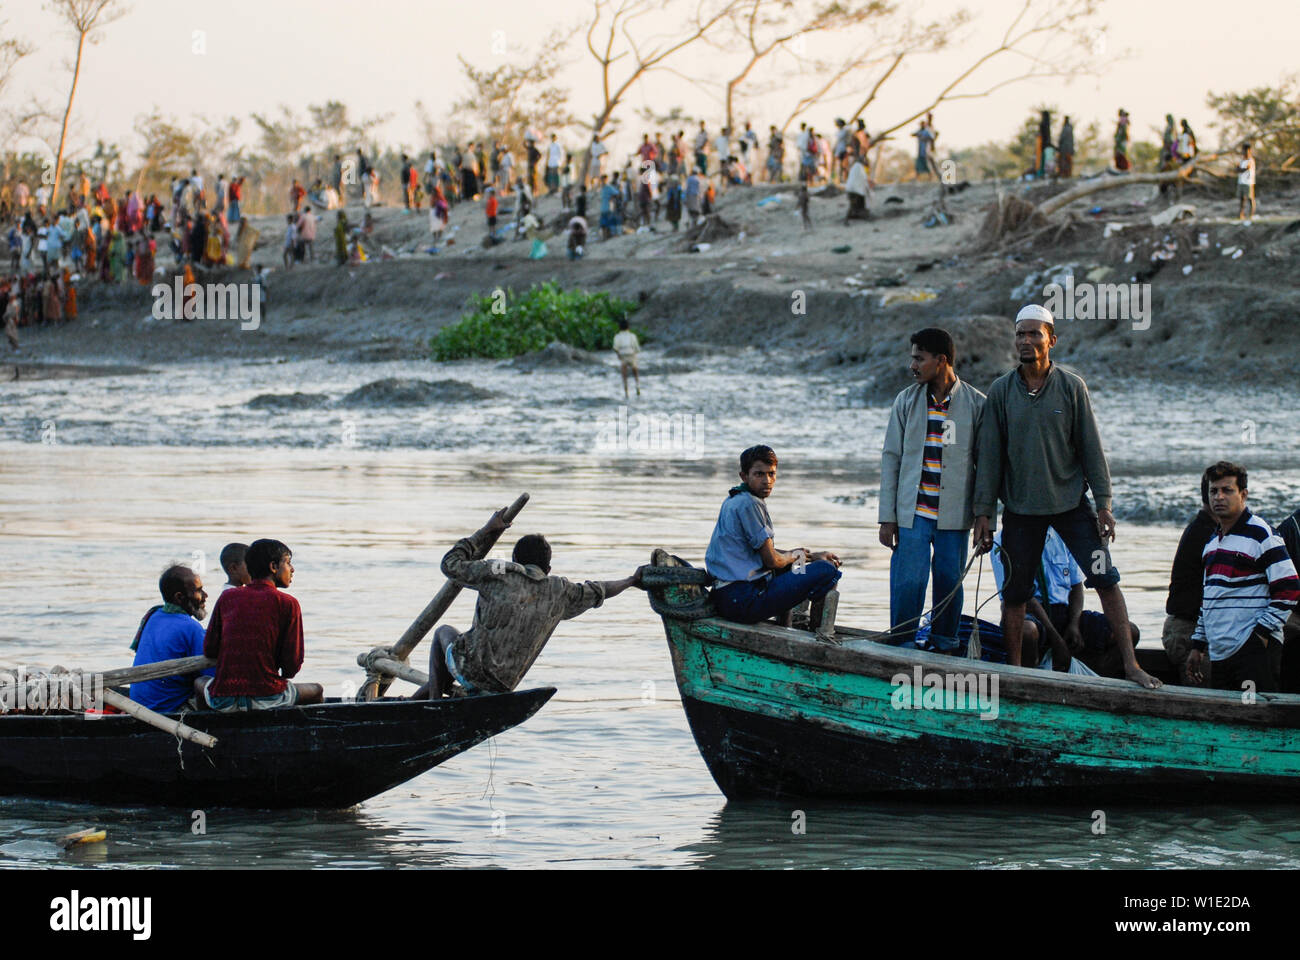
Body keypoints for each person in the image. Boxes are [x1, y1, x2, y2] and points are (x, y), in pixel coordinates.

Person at [972, 304, 1159, 688]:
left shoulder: (1072, 387)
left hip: (1073, 507)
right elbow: (989, 459)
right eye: (1020, 334)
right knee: (1015, 594)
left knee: (1105, 578)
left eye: (1034, 334)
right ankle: (1015, 676)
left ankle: (1131, 666)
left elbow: (1092, 449)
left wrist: (1104, 504)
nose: (1025, 341)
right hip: (1021, 511)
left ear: (1051, 340)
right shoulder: (1001, 391)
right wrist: (983, 515)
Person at [411, 510, 645, 698]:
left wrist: (487, 530)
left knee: (444, 632)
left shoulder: (498, 572)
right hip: (502, 685)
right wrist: (631, 580)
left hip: (469, 669)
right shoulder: (560, 592)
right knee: (462, 652)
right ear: (548, 569)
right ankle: (414, 702)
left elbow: (449, 564)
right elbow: (601, 590)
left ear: (516, 561)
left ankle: (433, 703)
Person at [879, 328, 985, 653]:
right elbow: (891, 458)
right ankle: (902, 644)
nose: (912, 365)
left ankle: (945, 645)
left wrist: (985, 516)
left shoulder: (977, 404)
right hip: (913, 512)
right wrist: (887, 517)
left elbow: (987, 467)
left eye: (918, 358)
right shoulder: (906, 401)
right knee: (908, 582)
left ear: (941, 361)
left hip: (955, 515)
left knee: (949, 582)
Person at [1185, 462, 1299, 693]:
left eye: (1227, 490)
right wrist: (1198, 645)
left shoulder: (1260, 533)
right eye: (1213, 491)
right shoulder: (1211, 543)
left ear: (1243, 494)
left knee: (1258, 717)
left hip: (1254, 650)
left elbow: (1290, 587)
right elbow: (1210, 598)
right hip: (1220, 652)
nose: (1219, 497)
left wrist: (1260, 634)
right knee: (1227, 718)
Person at [706, 445, 843, 630]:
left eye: (771, 474)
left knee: (795, 565)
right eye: (759, 474)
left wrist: (808, 556)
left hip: (727, 597)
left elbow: (762, 553)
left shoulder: (735, 498)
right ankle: (818, 632)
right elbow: (771, 561)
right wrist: (797, 556)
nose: (767, 481)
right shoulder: (749, 504)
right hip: (743, 600)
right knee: (827, 570)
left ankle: (787, 625)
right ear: (744, 476)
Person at [198, 538, 323, 710]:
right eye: (288, 563)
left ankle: (207, 727)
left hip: (223, 698)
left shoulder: (227, 597)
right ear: (273, 567)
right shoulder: (287, 603)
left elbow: (210, 649)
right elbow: (291, 668)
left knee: (200, 682)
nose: (292, 570)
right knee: (316, 690)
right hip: (267, 697)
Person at [129, 565, 216, 713]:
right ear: (179, 597)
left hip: (139, 705)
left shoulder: (154, 615)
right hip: (167, 710)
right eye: (198, 590)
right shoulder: (190, 628)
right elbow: (212, 676)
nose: (205, 595)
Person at [1161, 484, 1218, 685]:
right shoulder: (1206, 535)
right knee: (1206, 697)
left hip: (1187, 628)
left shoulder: (1206, 529)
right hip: (1187, 631)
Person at [613, 317, 640, 398]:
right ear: (628, 327)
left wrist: (618, 355)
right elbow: (637, 348)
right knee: (635, 371)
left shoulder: (617, 336)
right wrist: (635, 354)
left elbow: (615, 348)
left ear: (619, 327)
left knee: (624, 374)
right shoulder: (632, 336)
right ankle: (637, 386)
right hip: (631, 354)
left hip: (623, 355)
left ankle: (626, 391)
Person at [844, 150, 870, 222]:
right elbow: (864, 181)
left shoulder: (854, 167)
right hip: (856, 191)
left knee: (852, 204)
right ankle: (862, 217)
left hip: (849, 190)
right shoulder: (860, 168)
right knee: (859, 202)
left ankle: (849, 217)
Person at [912, 115, 936, 180]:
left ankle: (931, 178)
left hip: (926, 151)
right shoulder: (919, 131)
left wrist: (924, 138)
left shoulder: (927, 131)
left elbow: (932, 138)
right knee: (918, 166)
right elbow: (912, 134)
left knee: (928, 165)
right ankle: (917, 179)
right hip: (920, 152)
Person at [1237, 142, 1256, 220]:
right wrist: (1239, 169)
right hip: (1241, 181)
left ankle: (1251, 215)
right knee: (1242, 199)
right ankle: (1241, 214)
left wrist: (1240, 169)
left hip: (1249, 182)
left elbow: (1245, 168)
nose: (1245, 152)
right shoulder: (1241, 160)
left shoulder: (1251, 160)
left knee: (1250, 198)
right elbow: (1237, 169)